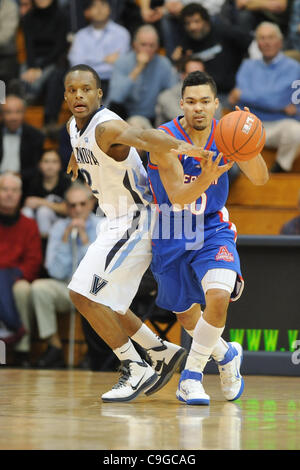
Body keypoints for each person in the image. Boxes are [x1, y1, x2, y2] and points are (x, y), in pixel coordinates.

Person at [64, 63, 210, 403]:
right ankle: (158, 351)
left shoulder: (107, 127)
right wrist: (76, 159)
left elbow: (146, 138)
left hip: (135, 220)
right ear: (66, 96)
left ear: (99, 94)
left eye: (86, 89)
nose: (79, 95)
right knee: (108, 302)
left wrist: (187, 148)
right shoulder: (75, 125)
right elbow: (81, 144)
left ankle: (135, 365)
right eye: (72, 90)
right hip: (113, 221)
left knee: (82, 295)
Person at [147, 71, 269, 405]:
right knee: (188, 316)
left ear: (217, 104)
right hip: (170, 232)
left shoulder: (226, 134)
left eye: (205, 101)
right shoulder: (163, 139)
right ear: (181, 104)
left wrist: (249, 138)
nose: (198, 108)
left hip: (212, 230)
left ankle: (190, 377)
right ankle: (227, 356)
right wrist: (207, 176)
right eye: (191, 101)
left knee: (218, 296)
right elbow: (178, 198)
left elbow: (260, 179)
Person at [30, 182, 103, 369]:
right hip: (65, 286)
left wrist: (85, 241)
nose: (77, 209)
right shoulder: (58, 228)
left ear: (91, 203)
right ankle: (53, 345)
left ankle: (92, 353)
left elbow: (99, 269)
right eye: (72, 205)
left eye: (81, 204)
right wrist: (65, 240)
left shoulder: (102, 227)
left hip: (92, 290)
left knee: (97, 293)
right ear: (66, 206)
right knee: (39, 288)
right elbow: (55, 272)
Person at [228, 21, 300, 173]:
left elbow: (242, 95)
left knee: (296, 131)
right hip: (250, 124)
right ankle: (239, 171)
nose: (266, 42)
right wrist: (279, 104)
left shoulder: (294, 68)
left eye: (271, 38)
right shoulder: (247, 65)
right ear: (257, 43)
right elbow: (277, 100)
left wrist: (247, 95)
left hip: (279, 125)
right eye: (262, 38)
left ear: (280, 42)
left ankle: (279, 168)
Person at [169, 3, 252, 111]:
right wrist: (178, 60)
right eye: (188, 23)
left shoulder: (224, 32)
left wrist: (241, 85)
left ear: (206, 21)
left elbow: (252, 51)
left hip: (231, 94)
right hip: (204, 96)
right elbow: (182, 73)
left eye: (196, 21)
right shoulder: (186, 43)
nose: (192, 27)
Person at [0, 172, 42, 350]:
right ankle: (15, 327)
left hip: (17, 275)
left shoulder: (29, 225)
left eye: (14, 190)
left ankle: (21, 347)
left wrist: (18, 274)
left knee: (11, 282)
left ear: (20, 194)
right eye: (4, 189)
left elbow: (34, 260)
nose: (9, 194)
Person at [107, 24, 178, 125]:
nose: (147, 49)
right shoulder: (122, 62)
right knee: (136, 121)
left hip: (157, 118)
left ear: (157, 46)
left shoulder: (163, 63)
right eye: (143, 45)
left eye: (151, 45)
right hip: (127, 118)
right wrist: (138, 68)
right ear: (134, 45)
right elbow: (116, 97)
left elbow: (173, 95)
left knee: (167, 98)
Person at [68, 0, 131, 99]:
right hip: (87, 82)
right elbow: (76, 64)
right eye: (94, 6)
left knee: (119, 87)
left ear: (109, 9)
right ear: (87, 12)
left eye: (103, 4)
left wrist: (88, 60)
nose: (99, 9)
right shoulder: (81, 35)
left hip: (112, 81)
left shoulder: (122, 33)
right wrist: (103, 59)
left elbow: (121, 64)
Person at [22, 149, 71, 239]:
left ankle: (45, 245)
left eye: (54, 162)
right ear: (40, 165)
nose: (50, 166)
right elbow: (27, 203)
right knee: (26, 212)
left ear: (60, 165)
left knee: (43, 211)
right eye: (46, 161)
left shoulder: (67, 183)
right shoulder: (33, 182)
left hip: (63, 223)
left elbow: (69, 209)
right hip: (35, 223)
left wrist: (41, 202)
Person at [0, 94, 45, 187]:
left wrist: (19, 176)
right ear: (2, 114)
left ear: (24, 113)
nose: (13, 117)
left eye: (18, 112)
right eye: (8, 112)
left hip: (25, 183)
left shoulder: (36, 136)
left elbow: (37, 167)